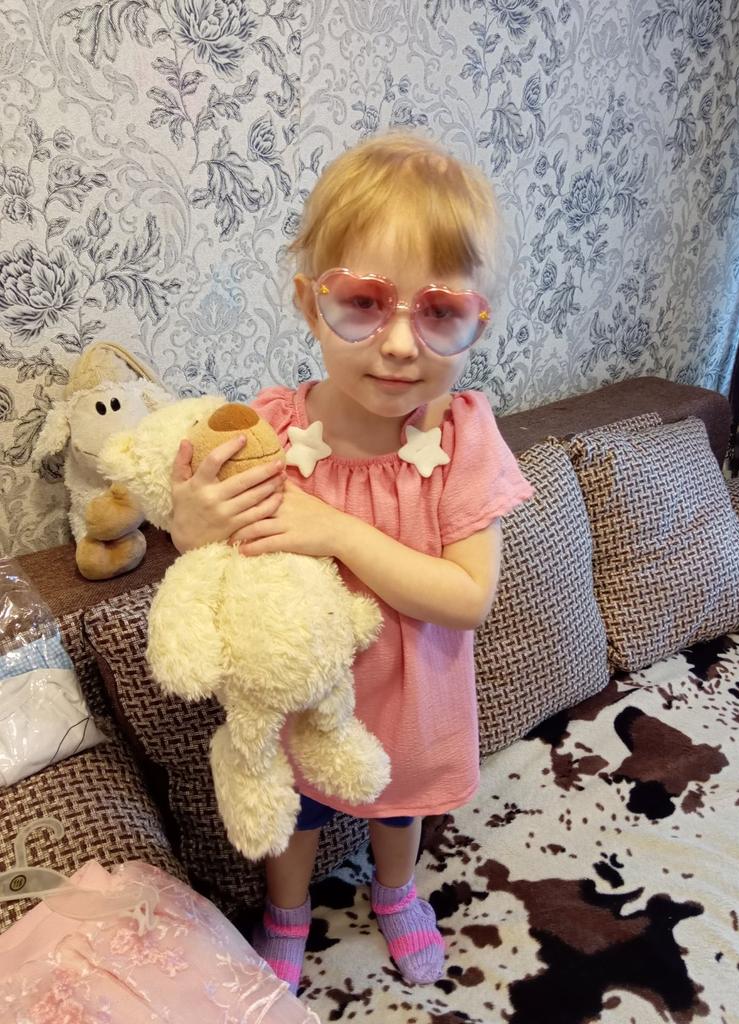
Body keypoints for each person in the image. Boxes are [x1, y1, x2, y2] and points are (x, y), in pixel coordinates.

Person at [168, 130, 534, 993]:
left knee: (398, 810)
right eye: (365, 303)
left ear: (477, 322)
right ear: (310, 303)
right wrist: (190, 523)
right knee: (295, 811)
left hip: (411, 699)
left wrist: (336, 531)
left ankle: (397, 891)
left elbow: (468, 596)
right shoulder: (270, 430)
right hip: (299, 692)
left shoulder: (463, 440)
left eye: (439, 312)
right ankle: (286, 912)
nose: (400, 344)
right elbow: (210, 553)